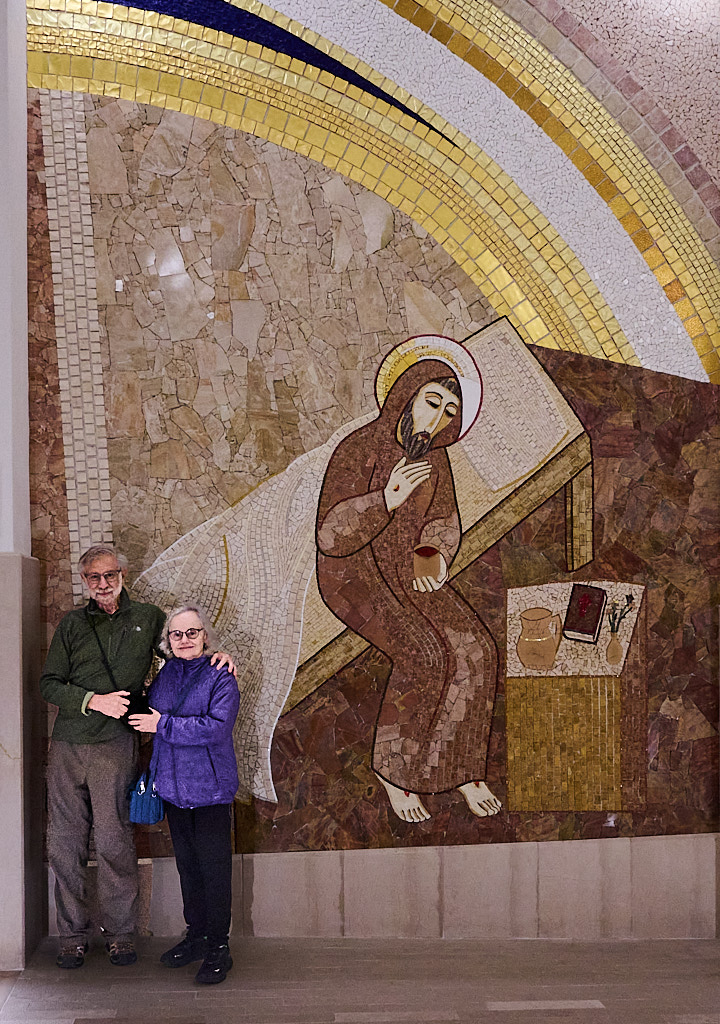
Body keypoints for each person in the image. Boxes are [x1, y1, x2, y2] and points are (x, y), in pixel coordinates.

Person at [316, 337, 501, 823]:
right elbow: (330, 537)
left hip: (407, 568)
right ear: (407, 396)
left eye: (449, 411)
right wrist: (385, 499)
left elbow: (444, 519)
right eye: (432, 402)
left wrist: (437, 553)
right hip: (352, 574)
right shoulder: (360, 447)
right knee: (424, 654)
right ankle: (394, 772)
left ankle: (460, 768)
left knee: (477, 648)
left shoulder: (435, 459)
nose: (437, 418)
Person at [40, 544, 234, 970]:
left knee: (114, 841)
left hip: (115, 746)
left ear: (122, 575)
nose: (103, 584)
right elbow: (49, 684)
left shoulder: (148, 618)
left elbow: (183, 654)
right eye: (94, 577)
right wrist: (93, 700)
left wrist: (219, 657)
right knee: (64, 844)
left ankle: (121, 935)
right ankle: (71, 936)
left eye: (109, 575)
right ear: (84, 581)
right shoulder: (72, 624)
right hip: (69, 744)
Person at [129, 604, 239, 985]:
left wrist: (163, 725)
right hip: (174, 791)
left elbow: (216, 728)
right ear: (168, 641)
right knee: (189, 869)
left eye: (192, 632)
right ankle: (197, 936)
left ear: (205, 636)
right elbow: (148, 711)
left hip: (210, 791)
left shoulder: (221, 675)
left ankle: (219, 948)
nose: (185, 639)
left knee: (214, 871)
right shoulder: (166, 675)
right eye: (177, 634)